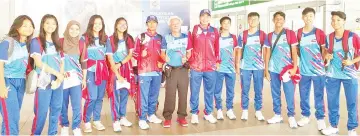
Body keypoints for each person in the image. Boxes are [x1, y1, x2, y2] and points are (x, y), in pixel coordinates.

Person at [321, 11, 359, 136]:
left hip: (350, 75)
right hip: (332, 75)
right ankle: (333, 126)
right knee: (332, 102)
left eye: (338, 20)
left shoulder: (353, 37)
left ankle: (352, 128)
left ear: (344, 21)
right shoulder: (329, 37)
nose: (335, 22)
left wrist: (352, 61)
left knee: (352, 102)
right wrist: (327, 55)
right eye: (333, 20)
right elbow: (325, 54)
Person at [30, 14, 65, 135]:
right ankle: (35, 133)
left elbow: (62, 62)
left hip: (58, 80)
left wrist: (60, 77)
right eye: (47, 23)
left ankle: (53, 133)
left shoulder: (58, 42)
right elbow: (38, 63)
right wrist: (57, 74)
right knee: (41, 111)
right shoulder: (36, 41)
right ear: (42, 25)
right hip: (44, 80)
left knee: (56, 109)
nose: (51, 26)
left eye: (53, 23)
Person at [0, 15, 34, 135]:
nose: (28, 28)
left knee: (10, 117)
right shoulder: (7, 42)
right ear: (17, 27)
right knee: (12, 117)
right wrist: (2, 86)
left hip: (21, 82)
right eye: (24, 25)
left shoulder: (28, 44)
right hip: (7, 81)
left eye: (30, 26)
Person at [264, 11, 299, 129]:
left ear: (284, 21)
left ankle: (291, 116)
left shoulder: (290, 34)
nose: (278, 21)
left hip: (287, 70)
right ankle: (277, 114)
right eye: (276, 19)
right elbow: (267, 53)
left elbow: (294, 51)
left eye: (281, 19)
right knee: (275, 93)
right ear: (273, 20)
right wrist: (266, 69)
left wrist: (294, 67)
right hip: (273, 69)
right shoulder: (269, 36)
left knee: (289, 92)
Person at [295, 7, 326, 130]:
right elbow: (297, 50)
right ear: (302, 17)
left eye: (311, 16)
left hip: (318, 71)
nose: (308, 18)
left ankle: (320, 118)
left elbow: (324, 50)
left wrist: (321, 63)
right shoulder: (298, 33)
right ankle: (305, 115)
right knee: (304, 94)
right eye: (306, 16)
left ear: (314, 17)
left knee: (319, 95)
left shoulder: (319, 32)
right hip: (304, 71)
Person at [133, 15, 166, 130]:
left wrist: (162, 62)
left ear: (157, 24)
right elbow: (134, 53)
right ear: (146, 24)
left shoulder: (161, 38)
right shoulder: (140, 37)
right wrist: (140, 55)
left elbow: (163, 53)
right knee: (143, 95)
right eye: (149, 22)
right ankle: (142, 118)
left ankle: (151, 114)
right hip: (144, 71)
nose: (152, 24)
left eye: (154, 22)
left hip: (157, 71)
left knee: (154, 94)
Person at [188, 9, 220, 124]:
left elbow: (217, 47)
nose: (205, 18)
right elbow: (190, 46)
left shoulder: (214, 31)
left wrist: (218, 61)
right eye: (202, 16)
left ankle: (208, 113)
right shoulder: (195, 29)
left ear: (210, 18)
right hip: (196, 66)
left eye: (207, 16)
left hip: (210, 67)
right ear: (199, 17)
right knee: (194, 91)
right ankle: (194, 113)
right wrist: (191, 60)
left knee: (209, 91)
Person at [236, 12, 268, 121]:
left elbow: (265, 51)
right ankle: (244, 110)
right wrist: (237, 64)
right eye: (250, 19)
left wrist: (265, 67)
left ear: (258, 21)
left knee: (258, 89)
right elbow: (239, 50)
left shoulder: (263, 35)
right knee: (245, 89)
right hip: (245, 66)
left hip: (259, 67)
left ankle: (258, 111)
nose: (253, 21)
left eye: (255, 19)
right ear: (248, 21)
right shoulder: (242, 34)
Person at [162, 16, 191, 128]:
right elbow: (162, 52)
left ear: (180, 24)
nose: (175, 25)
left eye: (177, 23)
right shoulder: (166, 38)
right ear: (170, 25)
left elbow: (189, 53)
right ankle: (168, 117)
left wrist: (187, 58)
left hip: (183, 69)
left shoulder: (186, 37)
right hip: (171, 70)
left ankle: (182, 117)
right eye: (173, 24)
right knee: (170, 94)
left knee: (183, 94)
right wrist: (165, 57)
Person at [106, 17, 134, 132]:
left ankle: (122, 116)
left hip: (126, 68)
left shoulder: (129, 38)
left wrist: (121, 63)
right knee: (115, 95)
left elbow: (130, 55)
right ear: (116, 25)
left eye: (125, 24)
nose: (123, 26)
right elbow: (110, 57)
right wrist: (117, 73)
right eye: (120, 24)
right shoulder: (110, 39)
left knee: (124, 94)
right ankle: (115, 120)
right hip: (114, 69)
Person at [82, 15, 109, 133]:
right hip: (90, 71)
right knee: (91, 97)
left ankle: (96, 120)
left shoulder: (105, 38)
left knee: (99, 97)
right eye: (95, 23)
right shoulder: (84, 38)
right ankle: (87, 121)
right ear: (91, 24)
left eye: (100, 23)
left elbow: (109, 56)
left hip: (102, 70)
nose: (97, 25)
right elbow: (81, 56)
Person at [59, 20, 87, 136]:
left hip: (76, 79)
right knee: (62, 104)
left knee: (77, 104)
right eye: (71, 28)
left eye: (77, 29)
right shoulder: (60, 42)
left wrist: (84, 79)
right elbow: (56, 60)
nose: (74, 31)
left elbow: (84, 62)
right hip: (63, 78)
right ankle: (64, 126)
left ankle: (76, 127)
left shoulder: (81, 43)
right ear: (67, 29)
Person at [214, 16, 237, 120]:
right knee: (217, 90)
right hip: (219, 68)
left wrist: (236, 66)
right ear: (221, 25)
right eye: (224, 23)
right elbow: (213, 52)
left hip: (231, 68)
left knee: (230, 90)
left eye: (228, 23)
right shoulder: (216, 37)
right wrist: (216, 63)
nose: (226, 24)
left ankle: (229, 109)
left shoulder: (233, 37)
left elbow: (236, 52)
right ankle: (219, 109)